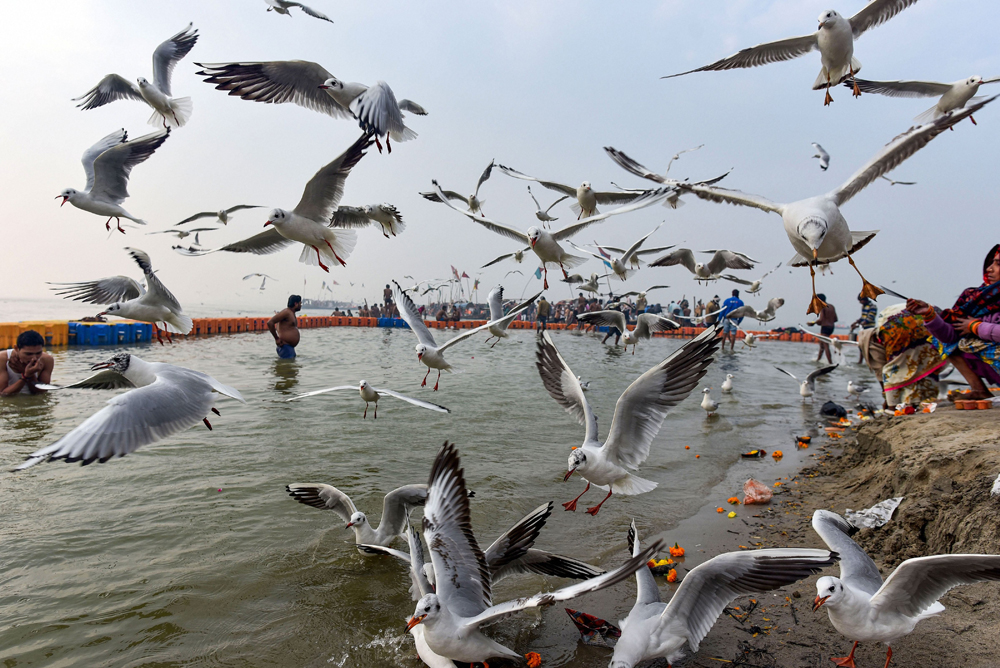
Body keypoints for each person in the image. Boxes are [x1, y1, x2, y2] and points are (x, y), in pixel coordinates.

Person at [908, 244, 1000, 400]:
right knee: (945, 342)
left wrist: (975, 327)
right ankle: (979, 391)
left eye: (998, 264)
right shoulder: (975, 298)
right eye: (991, 263)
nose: (989, 269)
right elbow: (950, 336)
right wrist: (929, 315)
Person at [859, 304, 943, 407]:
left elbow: (881, 371)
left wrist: (887, 399)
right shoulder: (883, 320)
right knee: (926, 363)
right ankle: (925, 401)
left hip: (902, 325)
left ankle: (894, 407)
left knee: (894, 369)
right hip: (935, 318)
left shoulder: (873, 340)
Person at [1, 330, 54, 396]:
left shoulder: (47, 360)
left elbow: (41, 392)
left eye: (38, 353)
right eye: (28, 354)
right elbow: (3, 394)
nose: (34, 358)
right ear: (16, 348)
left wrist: (29, 374)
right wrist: (25, 377)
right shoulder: (2, 359)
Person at [268, 295, 301, 359]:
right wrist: (276, 338)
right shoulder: (286, 312)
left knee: (289, 367)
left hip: (288, 347)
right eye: (300, 303)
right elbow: (270, 322)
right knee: (287, 367)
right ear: (296, 304)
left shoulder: (291, 313)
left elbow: (278, 326)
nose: (301, 305)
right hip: (285, 347)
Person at [810, 295, 838, 363]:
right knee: (821, 344)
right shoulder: (831, 306)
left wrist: (813, 323)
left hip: (825, 327)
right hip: (831, 327)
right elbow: (835, 319)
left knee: (825, 345)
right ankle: (818, 359)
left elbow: (821, 320)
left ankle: (830, 362)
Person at [850, 294, 878, 362]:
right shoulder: (863, 306)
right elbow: (863, 317)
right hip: (863, 328)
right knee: (861, 345)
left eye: (861, 301)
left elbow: (870, 318)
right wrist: (856, 322)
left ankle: (869, 361)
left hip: (870, 329)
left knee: (867, 345)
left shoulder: (873, 306)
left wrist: (858, 325)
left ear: (864, 300)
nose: (860, 302)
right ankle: (861, 360)